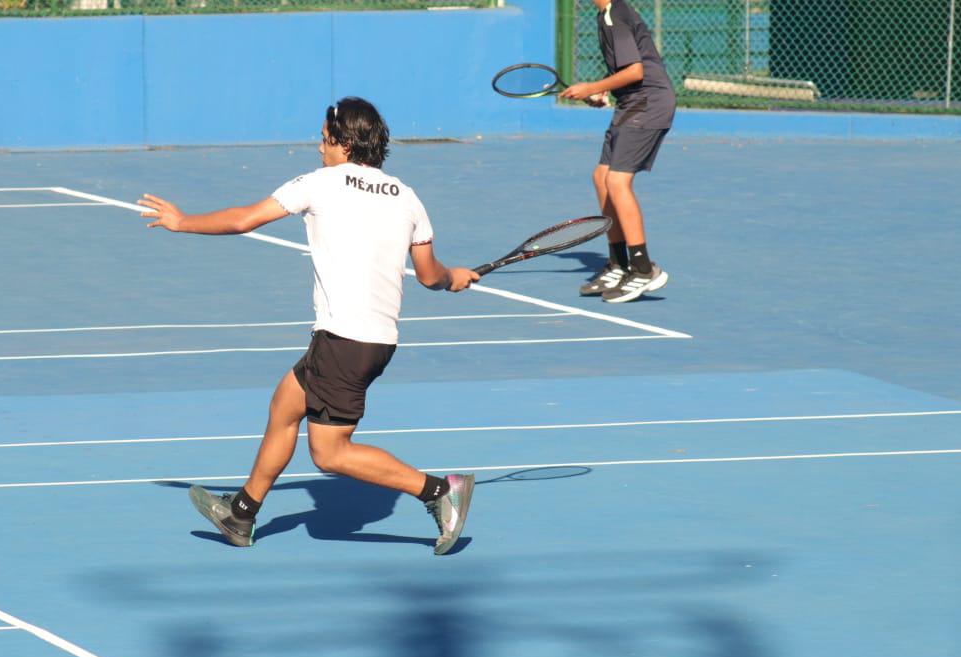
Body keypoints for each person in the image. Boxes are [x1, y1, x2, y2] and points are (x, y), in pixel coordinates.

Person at [140, 97, 479, 555]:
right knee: (285, 404)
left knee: (330, 452)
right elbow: (429, 275)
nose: (319, 148)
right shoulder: (406, 195)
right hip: (373, 340)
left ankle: (440, 491)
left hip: (345, 339)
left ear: (343, 143)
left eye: (324, 140)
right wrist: (455, 277)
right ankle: (241, 512)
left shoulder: (320, 184)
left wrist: (181, 222)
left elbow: (244, 219)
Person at [561, 0, 675, 303]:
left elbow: (636, 71)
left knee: (617, 181)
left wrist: (591, 86)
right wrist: (601, 91)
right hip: (631, 104)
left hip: (648, 103)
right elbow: (627, 70)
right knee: (601, 177)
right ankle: (618, 263)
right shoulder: (606, 15)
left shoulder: (616, 14)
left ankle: (643, 268)